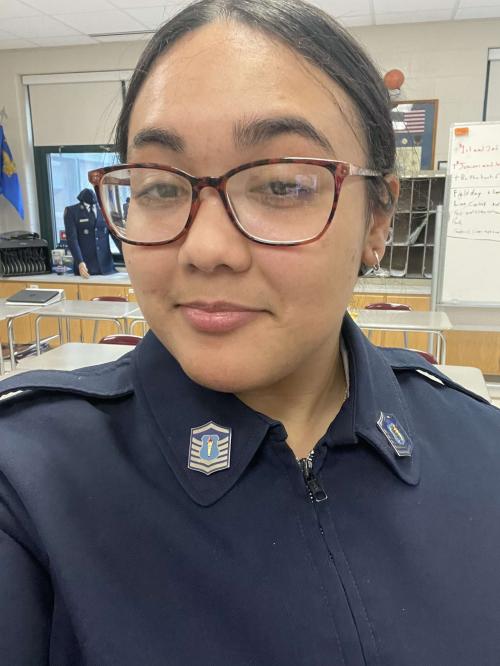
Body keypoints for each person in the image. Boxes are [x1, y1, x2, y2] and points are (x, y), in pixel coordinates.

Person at [1, 1, 500, 663]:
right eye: (159, 187)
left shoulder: (483, 453)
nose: (206, 249)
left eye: (282, 185)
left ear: (379, 218)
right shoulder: (28, 487)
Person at [63, 187, 116, 277]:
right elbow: (72, 240)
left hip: (107, 269)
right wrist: (80, 262)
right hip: (85, 268)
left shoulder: (105, 210)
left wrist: (127, 258)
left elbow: (116, 236)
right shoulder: (72, 211)